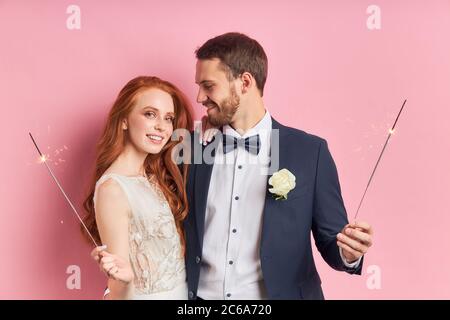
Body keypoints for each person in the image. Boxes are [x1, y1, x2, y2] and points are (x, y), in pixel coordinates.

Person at [184, 32, 374, 300]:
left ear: (245, 82)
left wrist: (349, 252)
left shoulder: (310, 151)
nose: (199, 97)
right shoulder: (192, 147)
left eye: (208, 85)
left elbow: (331, 240)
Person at [83, 76, 193, 299]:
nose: (161, 126)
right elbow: (118, 288)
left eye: (168, 118)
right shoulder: (113, 188)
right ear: (124, 120)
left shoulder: (153, 176)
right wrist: (124, 280)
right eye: (150, 114)